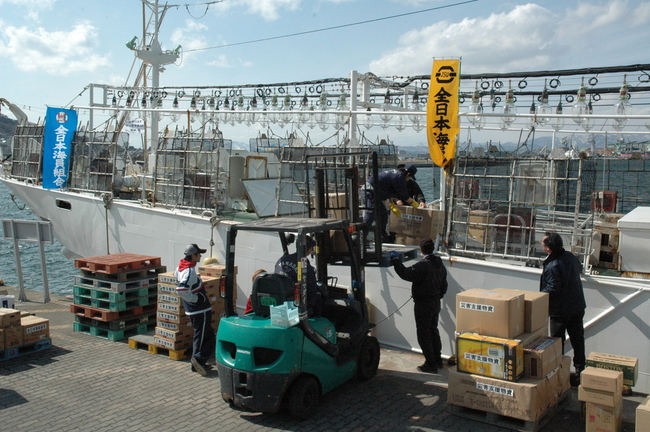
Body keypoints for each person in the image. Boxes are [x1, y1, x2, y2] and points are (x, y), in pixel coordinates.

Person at [391, 238, 448, 374]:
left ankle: (430, 364)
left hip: (424, 303)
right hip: (435, 302)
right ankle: (437, 360)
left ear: (421, 250)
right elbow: (444, 284)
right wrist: (439, 295)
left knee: (424, 334)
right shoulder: (439, 264)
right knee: (433, 331)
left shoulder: (423, 265)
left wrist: (395, 261)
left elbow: (406, 274)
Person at [539, 232, 587, 382]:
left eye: (543, 242)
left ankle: (558, 371)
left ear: (548, 248)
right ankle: (580, 370)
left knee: (557, 342)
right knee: (577, 339)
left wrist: (539, 296)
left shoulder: (553, 264)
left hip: (560, 310)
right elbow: (579, 268)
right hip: (577, 305)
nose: (541, 244)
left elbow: (553, 288)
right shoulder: (570, 256)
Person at [175, 243, 215, 376]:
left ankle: (198, 363)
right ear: (193, 255)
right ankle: (198, 359)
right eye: (199, 254)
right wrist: (196, 299)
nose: (200, 256)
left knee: (206, 335)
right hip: (199, 310)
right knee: (203, 337)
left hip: (196, 310)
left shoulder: (181, 268)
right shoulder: (189, 271)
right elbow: (181, 290)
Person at [363, 165, 419, 241]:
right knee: (370, 214)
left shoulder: (396, 174)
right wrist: (414, 204)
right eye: (410, 177)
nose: (408, 180)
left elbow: (389, 191)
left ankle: (381, 237)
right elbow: (404, 195)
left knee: (383, 215)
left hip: (375, 193)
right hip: (370, 191)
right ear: (408, 174)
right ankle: (361, 238)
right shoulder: (399, 177)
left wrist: (392, 204)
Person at [275, 235, 323, 316]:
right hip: (294, 302)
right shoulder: (305, 265)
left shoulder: (282, 259)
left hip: (279, 298)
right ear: (309, 249)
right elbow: (312, 289)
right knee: (318, 296)